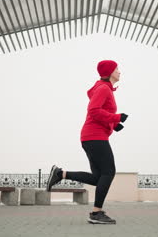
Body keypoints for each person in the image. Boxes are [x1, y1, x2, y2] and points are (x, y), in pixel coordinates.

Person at [46, 60, 128, 225]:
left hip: (91, 137)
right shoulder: (104, 88)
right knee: (109, 172)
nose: (120, 71)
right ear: (110, 71)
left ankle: (61, 174)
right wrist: (116, 117)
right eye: (117, 68)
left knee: (99, 177)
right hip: (95, 137)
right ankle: (96, 213)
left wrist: (114, 124)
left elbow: (99, 113)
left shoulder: (104, 88)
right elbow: (94, 110)